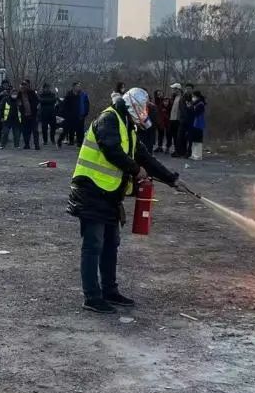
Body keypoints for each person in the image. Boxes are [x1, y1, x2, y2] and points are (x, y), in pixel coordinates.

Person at [68, 87, 182, 314]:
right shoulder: (108, 119)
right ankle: (92, 297)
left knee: (111, 245)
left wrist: (171, 179)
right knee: (93, 246)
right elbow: (112, 151)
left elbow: (145, 157)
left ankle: (110, 291)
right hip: (91, 191)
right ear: (133, 107)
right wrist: (135, 169)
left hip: (109, 194)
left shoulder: (127, 126)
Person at [60, 81, 89, 147]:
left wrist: (85, 112)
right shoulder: (69, 94)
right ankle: (71, 141)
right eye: (77, 86)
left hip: (81, 114)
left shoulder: (83, 94)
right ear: (73, 87)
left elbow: (86, 104)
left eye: (79, 86)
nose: (78, 87)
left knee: (80, 129)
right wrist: (66, 113)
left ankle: (80, 142)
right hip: (71, 115)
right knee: (71, 128)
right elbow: (65, 104)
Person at [19, 80, 40, 150]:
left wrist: (35, 108)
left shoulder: (32, 93)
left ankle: (36, 145)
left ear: (27, 86)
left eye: (25, 86)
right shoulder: (19, 94)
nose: (24, 87)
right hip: (24, 115)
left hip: (33, 115)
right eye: (22, 86)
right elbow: (17, 102)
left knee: (35, 131)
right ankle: (27, 144)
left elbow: (37, 101)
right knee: (26, 131)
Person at [177, 84, 196, 158]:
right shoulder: (183, 98)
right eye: (187, 88)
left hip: (191, 120)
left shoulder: (194, 98)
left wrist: (190, 108)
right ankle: (181, 151)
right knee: (180, 136)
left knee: (190, 137)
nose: (188, 90)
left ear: (192, 89)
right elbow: (182, 108)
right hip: (183, 120)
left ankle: (189, 152)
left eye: (190, 88)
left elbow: (195, 108)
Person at [189, 89, 207, 161]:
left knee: (198, 141)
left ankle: (198, 155)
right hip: (194, 123)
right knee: (194, 140)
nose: (192, 98)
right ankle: (193, 154)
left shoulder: (200, 104)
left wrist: (191, 108)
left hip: (199, 123)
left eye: (193, 96)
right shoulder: (195, 104)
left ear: (197, 96)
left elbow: (195, 113)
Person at [167, 83, 183, 156]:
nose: (172, 90)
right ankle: (176, 150)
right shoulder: (174, 97)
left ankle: (178, 151)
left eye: (174, 89)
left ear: (178, 89)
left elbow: (182, 110)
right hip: (172, 119)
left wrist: (181, 119)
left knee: (177, 136)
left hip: (177, 119)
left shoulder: (181, 98)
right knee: (173, 135)